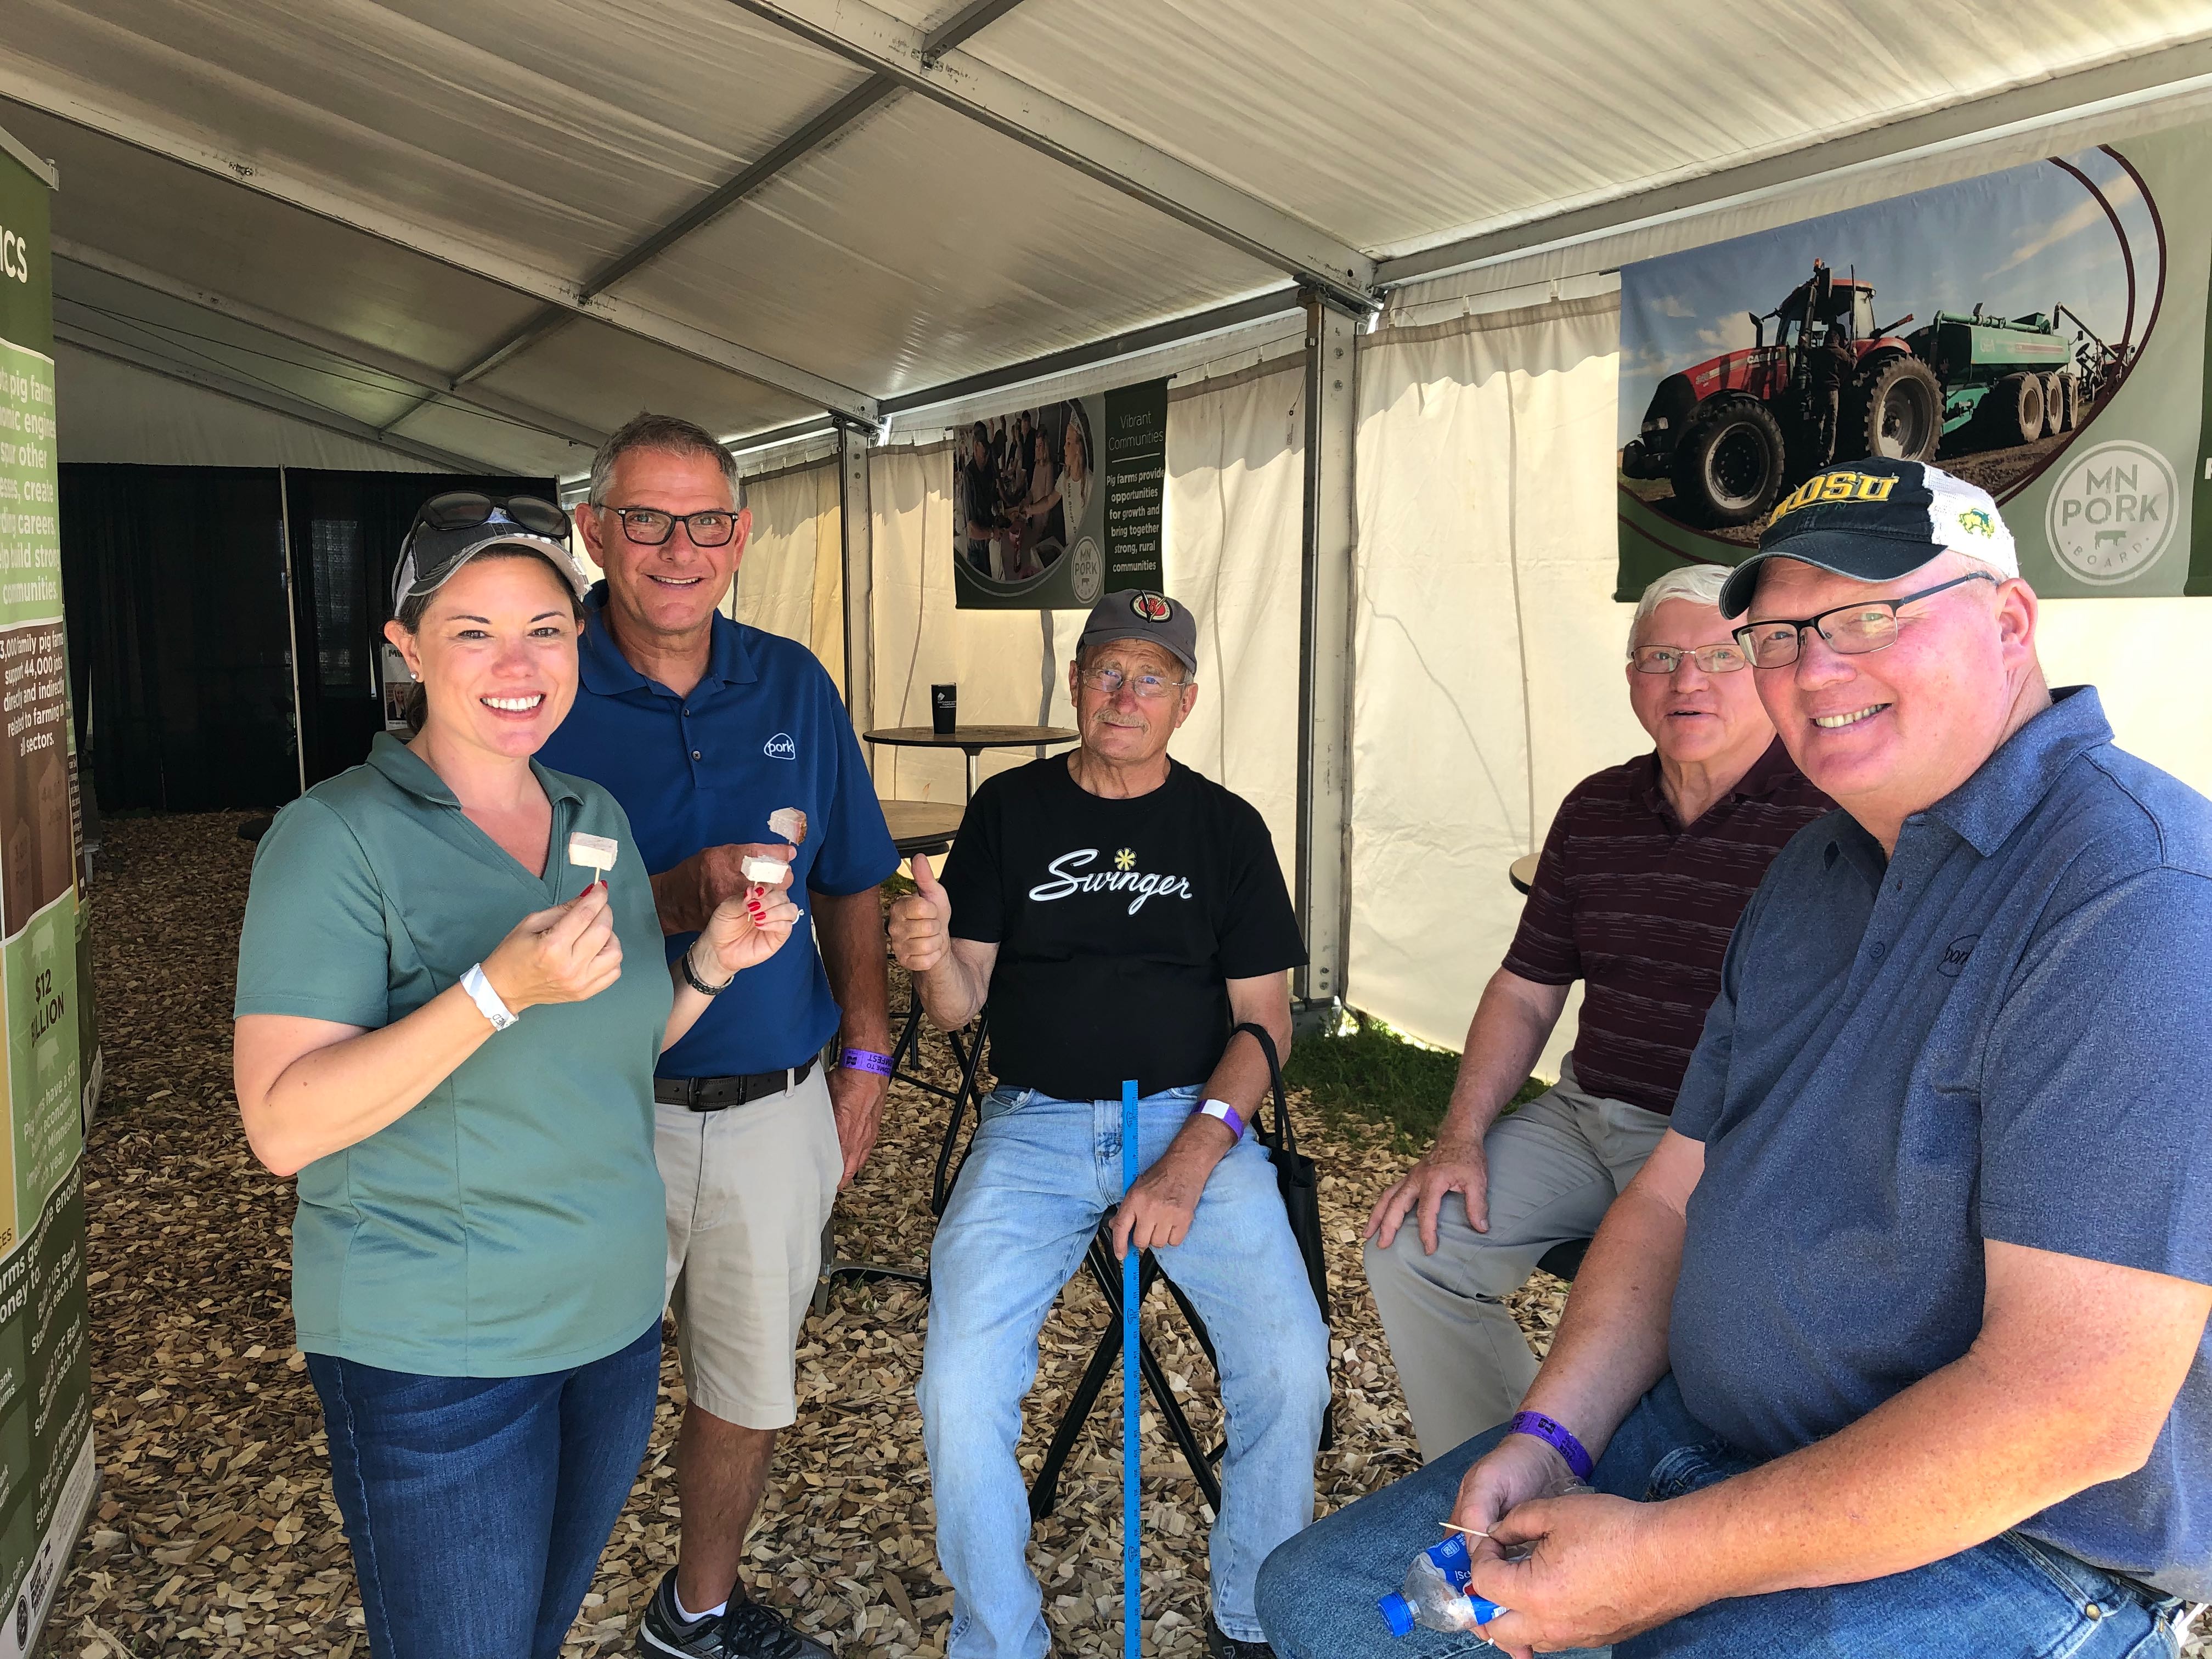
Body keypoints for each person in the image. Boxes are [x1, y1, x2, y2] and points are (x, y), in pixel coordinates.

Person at [1255, 458, 2212, 1658]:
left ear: (2010, 624)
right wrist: (1549, 1436)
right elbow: (1670, 1196)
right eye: (1779, 634)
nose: (1814, 668)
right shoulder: (1812, 873)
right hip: (1701, 1437)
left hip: (2016, 1545)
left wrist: (1649, 1566)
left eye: (1871, 616)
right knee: (1322, 1604)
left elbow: (2071, 1411)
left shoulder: (2133, 893)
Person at [232, 498, 799, 1659]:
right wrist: (494, 993)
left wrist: (707, 964)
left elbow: (618, 1048)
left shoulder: (591, 817)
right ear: (407, 651)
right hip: (441, 1349)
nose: (516, 665)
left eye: (545, 628)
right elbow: (284, 1126)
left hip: (610, 1323)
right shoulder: (332, 838)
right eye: (473, 631)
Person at [891, 590, 1328, 1659]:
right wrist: (930, 953)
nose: (1125, 695)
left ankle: (1253, 1619)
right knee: (958, 1386)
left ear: (1186, 698)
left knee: (1292, 1363)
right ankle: (1001, 1639)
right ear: (1075, 681)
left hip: (1195, 1125)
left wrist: (1190, 1160)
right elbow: (961, 1002)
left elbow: (1264, 1023)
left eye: (1153, 677)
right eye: (1106, 671)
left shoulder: (1226, 830)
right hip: (1033, 1123)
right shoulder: (1010, 810)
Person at [536, 414, 900, 1659]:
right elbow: (491, 906)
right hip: (591, 1107)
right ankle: (512, 1611)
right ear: (594, 532)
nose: (677, 549)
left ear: (741, 537)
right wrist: (669, 896)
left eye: (705, 523)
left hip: (770, 1103)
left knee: (745, 1385)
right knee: (562, 1381)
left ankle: (695, 1611)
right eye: (646, 519)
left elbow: (854, 877)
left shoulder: (793, 679)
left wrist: (864, 1052)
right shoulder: (538, 686)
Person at [1362, 564, 1830, 1460]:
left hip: (1729, 1141)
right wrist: (1459, 1137)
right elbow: (1526, 988)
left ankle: (1647, 1513)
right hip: (1586, 1116)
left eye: (1713, 656)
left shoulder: (1826, 812)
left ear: (1765, 669)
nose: (1685, 681)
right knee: (1411, 1247)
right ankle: (1496, 1480)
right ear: (1630, 679)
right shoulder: (1597, 808)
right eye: (1660, 657)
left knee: (1707, 1334)